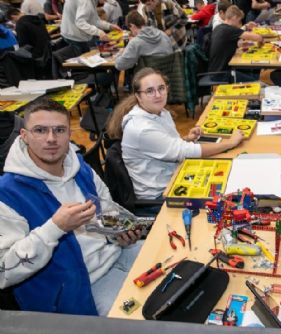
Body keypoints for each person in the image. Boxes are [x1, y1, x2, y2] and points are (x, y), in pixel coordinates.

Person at [0, 99, 143, 316]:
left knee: (186, 268)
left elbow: (109, 214)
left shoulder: (80, 169)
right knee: (150, 321)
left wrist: (121, 233)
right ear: (24, 136)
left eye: (59, 130)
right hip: (81, 287)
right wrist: (55, 228)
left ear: (69, 134)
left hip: (117, 254)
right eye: (40, 130)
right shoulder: (7, 194)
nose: (51, 139)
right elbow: (4, 271)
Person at [106, 68, 245, 202]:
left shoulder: (160, 111)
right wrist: (230, 143)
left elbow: (165, 145)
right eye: (149, 91)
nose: (158, 95)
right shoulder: (141, 128)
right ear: (138, 96)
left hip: (175, 175)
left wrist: (186, 139)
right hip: (160, 195)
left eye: (161, 88)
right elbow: (187, 151)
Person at [208, 5, 263, 81]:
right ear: (234, 18)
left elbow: (225, 45)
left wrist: (239, 44)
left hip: (214, 70)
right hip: (222, 74)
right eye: (239, 20)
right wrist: (261, 37)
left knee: (250, 72)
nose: (239, 23)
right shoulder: (230, 30)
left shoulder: (219, 28)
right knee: (256, 83)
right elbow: (258, 37)